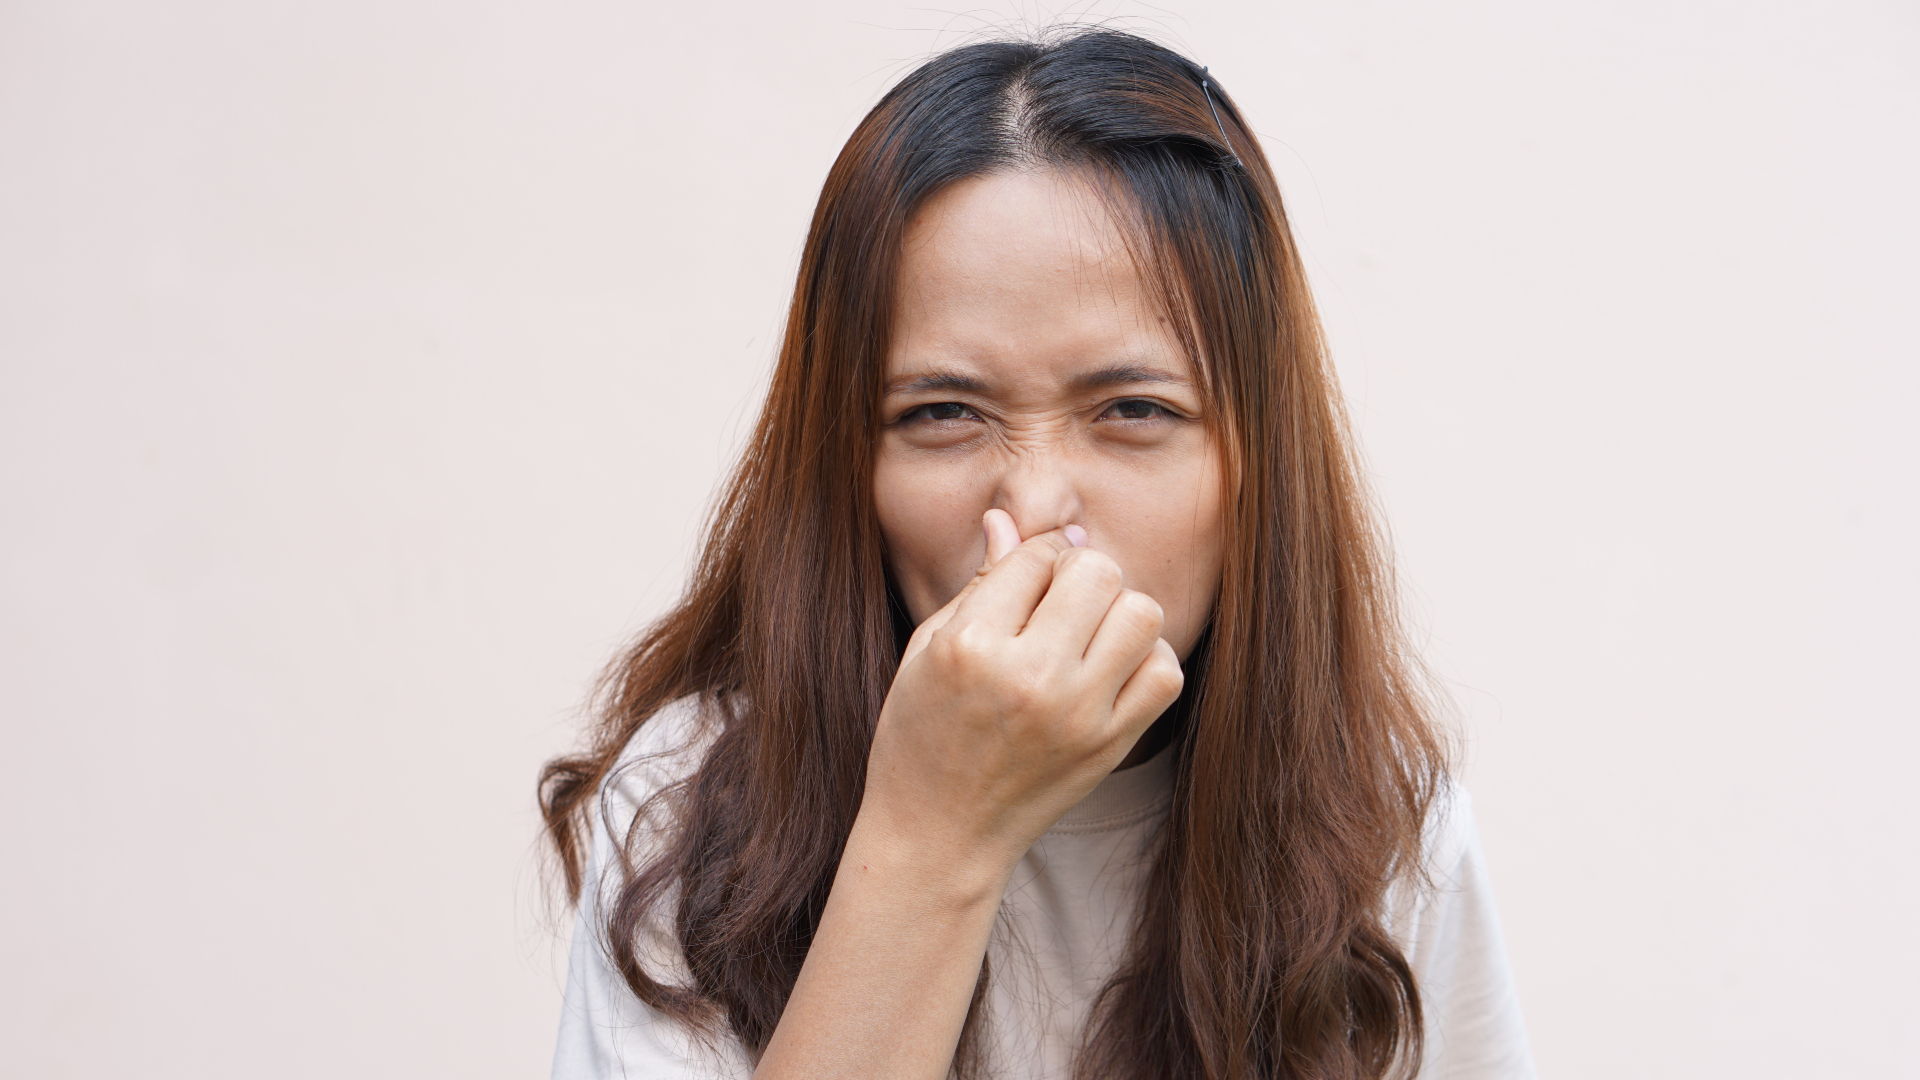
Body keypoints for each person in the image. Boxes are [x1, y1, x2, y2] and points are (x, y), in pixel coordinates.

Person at [541, 28, 1535, 1080]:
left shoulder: (1380, 834)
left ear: (1254, 467)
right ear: (846, 466)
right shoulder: (688, 812)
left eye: (1134, 410)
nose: (1038, 507)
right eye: (943, 414)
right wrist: (933, 839)